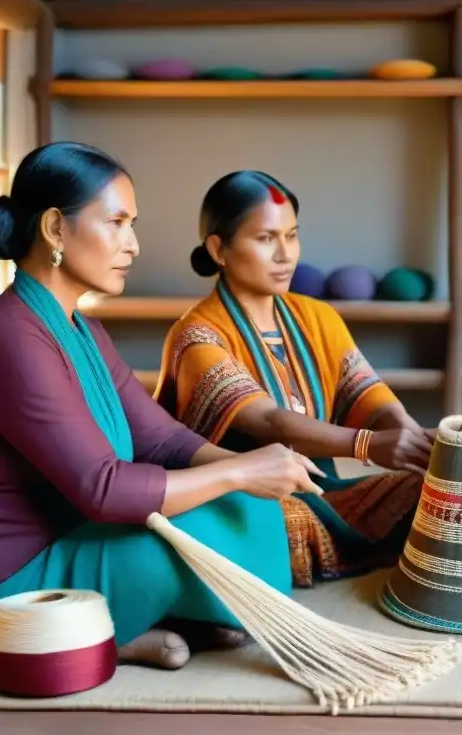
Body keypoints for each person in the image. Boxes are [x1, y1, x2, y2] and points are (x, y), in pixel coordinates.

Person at [0, 142, 327, 670]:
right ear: (55, 229)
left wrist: (254, 469)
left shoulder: (82, 328)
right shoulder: (8, 337)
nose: (133, 244)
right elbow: (103, 490)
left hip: (72, 540)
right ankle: (109, 639)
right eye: (117, 222)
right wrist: (239, 472)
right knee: (163, 551)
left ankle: (133, 626)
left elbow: (161, 439)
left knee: (247, 509)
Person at [155, 170, 432, 587]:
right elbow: (270, 421)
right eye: (266, 239)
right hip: (239, 498)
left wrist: (413, 441)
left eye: (292, 235)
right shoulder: (197, 336)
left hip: (322, 491)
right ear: (218, 248)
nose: (286, 254)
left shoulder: (318, 316)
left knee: (432, 492)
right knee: (284, 519)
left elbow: (368, 393)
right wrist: (366, 444)